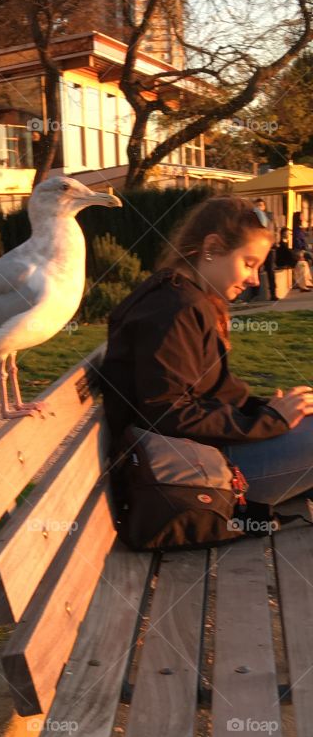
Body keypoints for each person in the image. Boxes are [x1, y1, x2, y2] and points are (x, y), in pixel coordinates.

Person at [99, 196, 313, 507]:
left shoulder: (180, 298)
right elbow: (166, 413)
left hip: (204, 462)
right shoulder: (173, 310)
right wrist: (269, 421)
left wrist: (267, 410)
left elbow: (204, 394)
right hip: (194, 478)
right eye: (248, 263)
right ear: (211, 249)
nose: (254, 279)